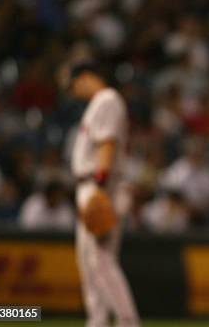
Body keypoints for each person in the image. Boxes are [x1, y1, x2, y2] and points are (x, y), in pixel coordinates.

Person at [64, 59, 139, 327]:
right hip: (94, 185)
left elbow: (106, 145)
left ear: (85, 76)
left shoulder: (107, 99)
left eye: (73, 85)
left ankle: (128, 322)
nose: (73, 92)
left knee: (102, 261)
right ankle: (97, 321)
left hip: (101, 186)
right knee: (90, 263)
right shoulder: (100, 103)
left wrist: (98, 189)